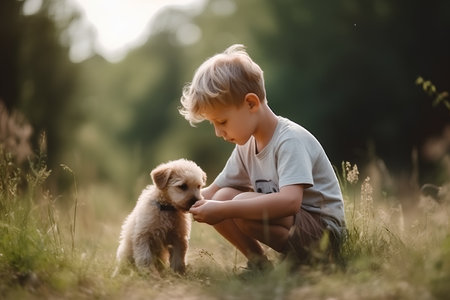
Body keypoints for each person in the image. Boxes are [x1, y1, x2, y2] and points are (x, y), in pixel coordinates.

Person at [179, 44, 346, 271]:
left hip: (324, 232)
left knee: (235, 203)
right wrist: (182, 203)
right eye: (213, 124)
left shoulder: (289, 140)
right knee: (224, 195)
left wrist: (224, 210)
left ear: (250, 103)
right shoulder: (246, 145)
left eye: (222, 122)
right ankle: (259, 264)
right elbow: (214, 191)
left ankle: (308, 262)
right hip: (296, 226)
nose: (218, 133)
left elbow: (290, 202)